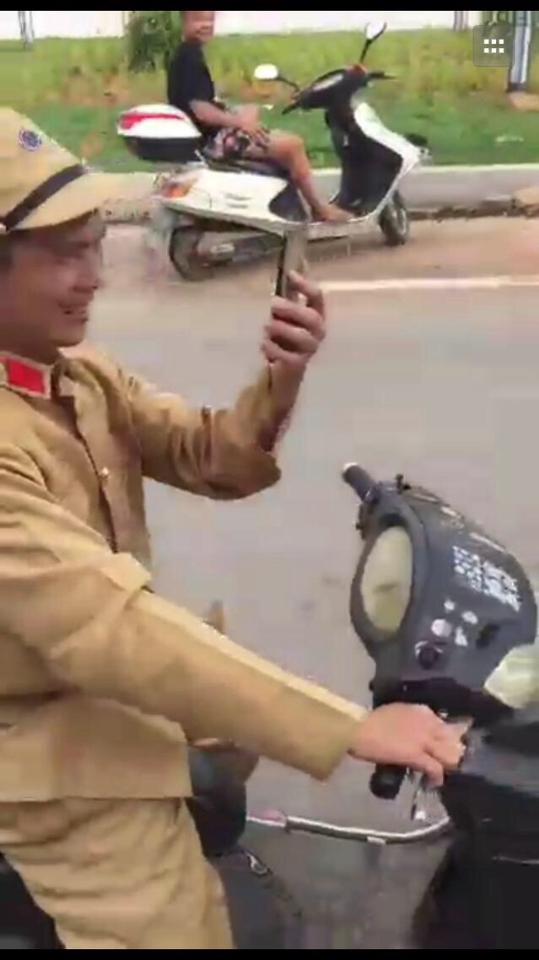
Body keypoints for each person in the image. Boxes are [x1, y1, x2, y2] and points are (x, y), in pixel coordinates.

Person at [0, 108, 466, 950]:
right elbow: (109, 627)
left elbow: (209, 455)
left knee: (226, 750)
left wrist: (280, 378)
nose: (93, 277)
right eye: (64, 254)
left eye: (95, 247)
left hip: (105, 683)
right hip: (42, 740)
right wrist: (347, 729)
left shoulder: (73, 374)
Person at [167, 10, 352, 224]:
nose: (206, 25)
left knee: (253, 113)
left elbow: (201, 101)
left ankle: (288, 203)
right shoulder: (188, 59)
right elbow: (200, 110)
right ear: (184, 22)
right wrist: (240, 122)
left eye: (210, 19)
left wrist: (239, 111)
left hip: (208, 136)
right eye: (198, 19)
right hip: (212, 142)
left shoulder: (188, 54)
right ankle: (320, 210)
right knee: (293, 146)